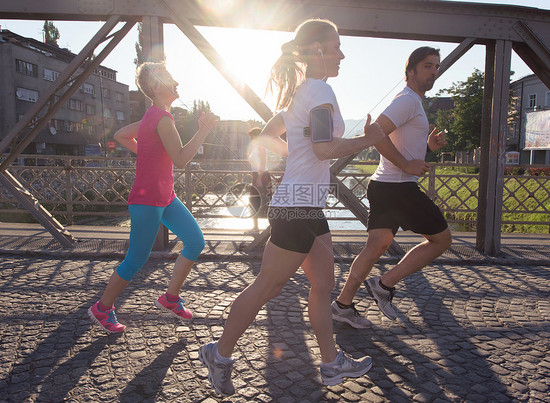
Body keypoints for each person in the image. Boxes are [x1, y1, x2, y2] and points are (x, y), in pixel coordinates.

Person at [198, 19, 428, 396]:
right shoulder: (319, 91)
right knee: (267, 286)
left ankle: (331, 362)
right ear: (318, 50)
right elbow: (323, 149)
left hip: (305, 207)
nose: (342, 54)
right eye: (336, 46)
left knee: (323, 285)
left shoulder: (299, 91)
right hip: (297, 209)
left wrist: (296, 154)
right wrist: (367, 139)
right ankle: (219, 354)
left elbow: (270, 136)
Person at [88, 62, 218, 333]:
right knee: (136, 260)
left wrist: (146, 154)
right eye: (171, 78)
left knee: (195, 241)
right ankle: (102, 309)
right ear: (157, 86)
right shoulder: (162, 118)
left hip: (166, 197)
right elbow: (181, 159)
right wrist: (204, 129)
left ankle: (170, 298)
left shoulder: (152, 116)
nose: (177, 82)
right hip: (147, 201)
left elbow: (120, 135)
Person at [331, 46, 451, 329]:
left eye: (436, 66)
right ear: (410, 71)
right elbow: (374, 133)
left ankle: (342, 305)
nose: (433, 71)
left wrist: (427, 147)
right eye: (427, 66)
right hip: (398, 187)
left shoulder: (413, 102)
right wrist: (406, 165)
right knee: (442, 240)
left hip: (384, 185)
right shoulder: (407, 100)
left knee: (375, 248)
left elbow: (400, 142)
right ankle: (384, 285)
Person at [247, 127, 271, 226]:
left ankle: (268, 227)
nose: (251, 139)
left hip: (261, 176)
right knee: (255, 200)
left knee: (260, 200)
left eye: (252, 137)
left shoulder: (261, 147)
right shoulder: (257, 147)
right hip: (257, 175)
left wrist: (259, 178)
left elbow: (263, 163)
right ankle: (256, 227)